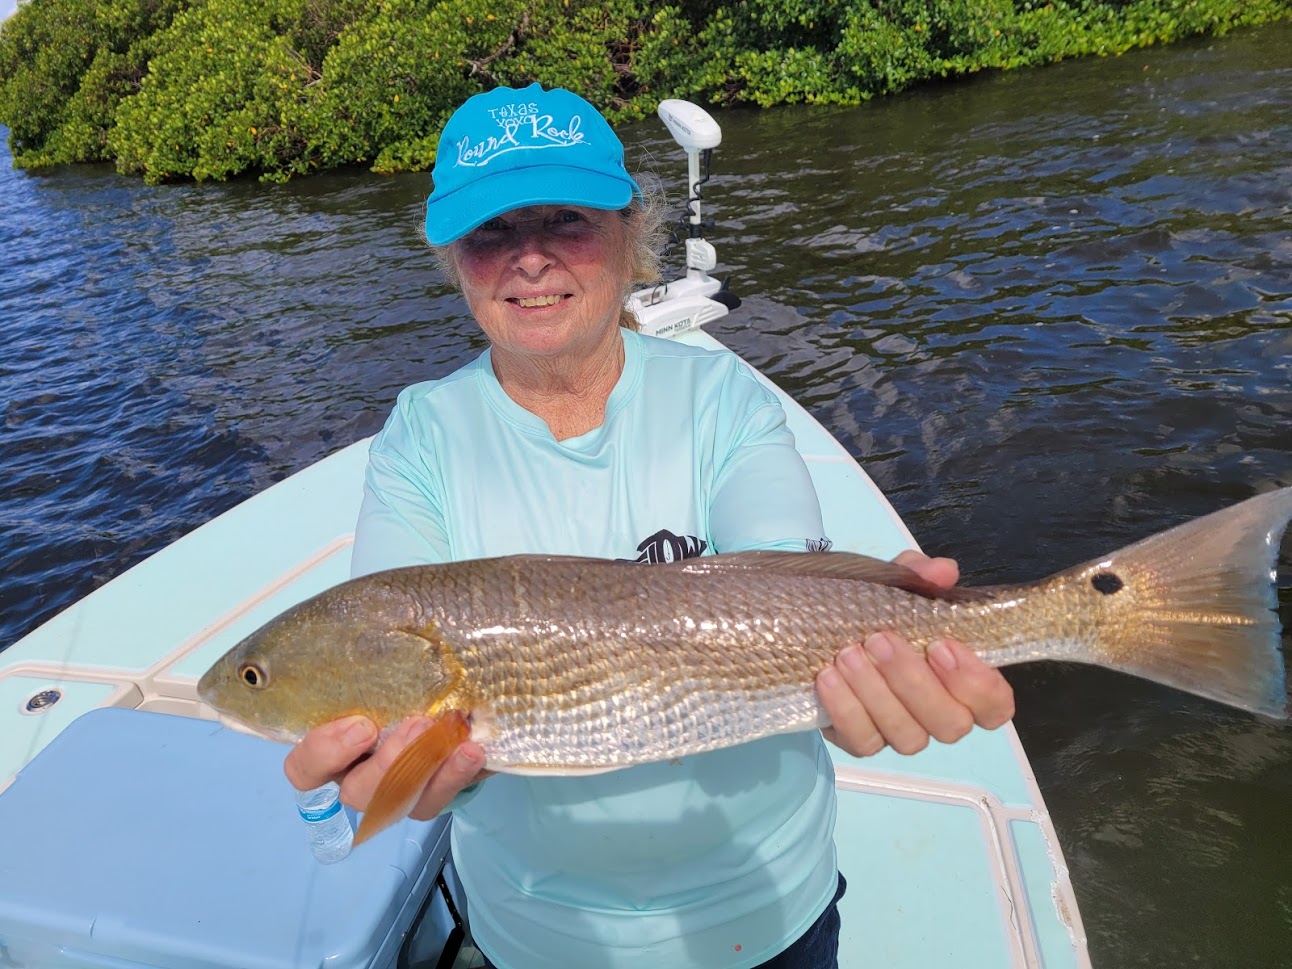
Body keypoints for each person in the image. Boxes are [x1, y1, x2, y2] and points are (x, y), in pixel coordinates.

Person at [285, 83, 1014, 969]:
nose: (529, 260)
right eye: (491, 233)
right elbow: (390, 665)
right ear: (454, 262)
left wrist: (868, 684)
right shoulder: (418, 438)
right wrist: (401, 775)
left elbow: (785, 584)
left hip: (771, 905)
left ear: (632, 237)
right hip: (541, 933)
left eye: (566, 221)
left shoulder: (724, 398)